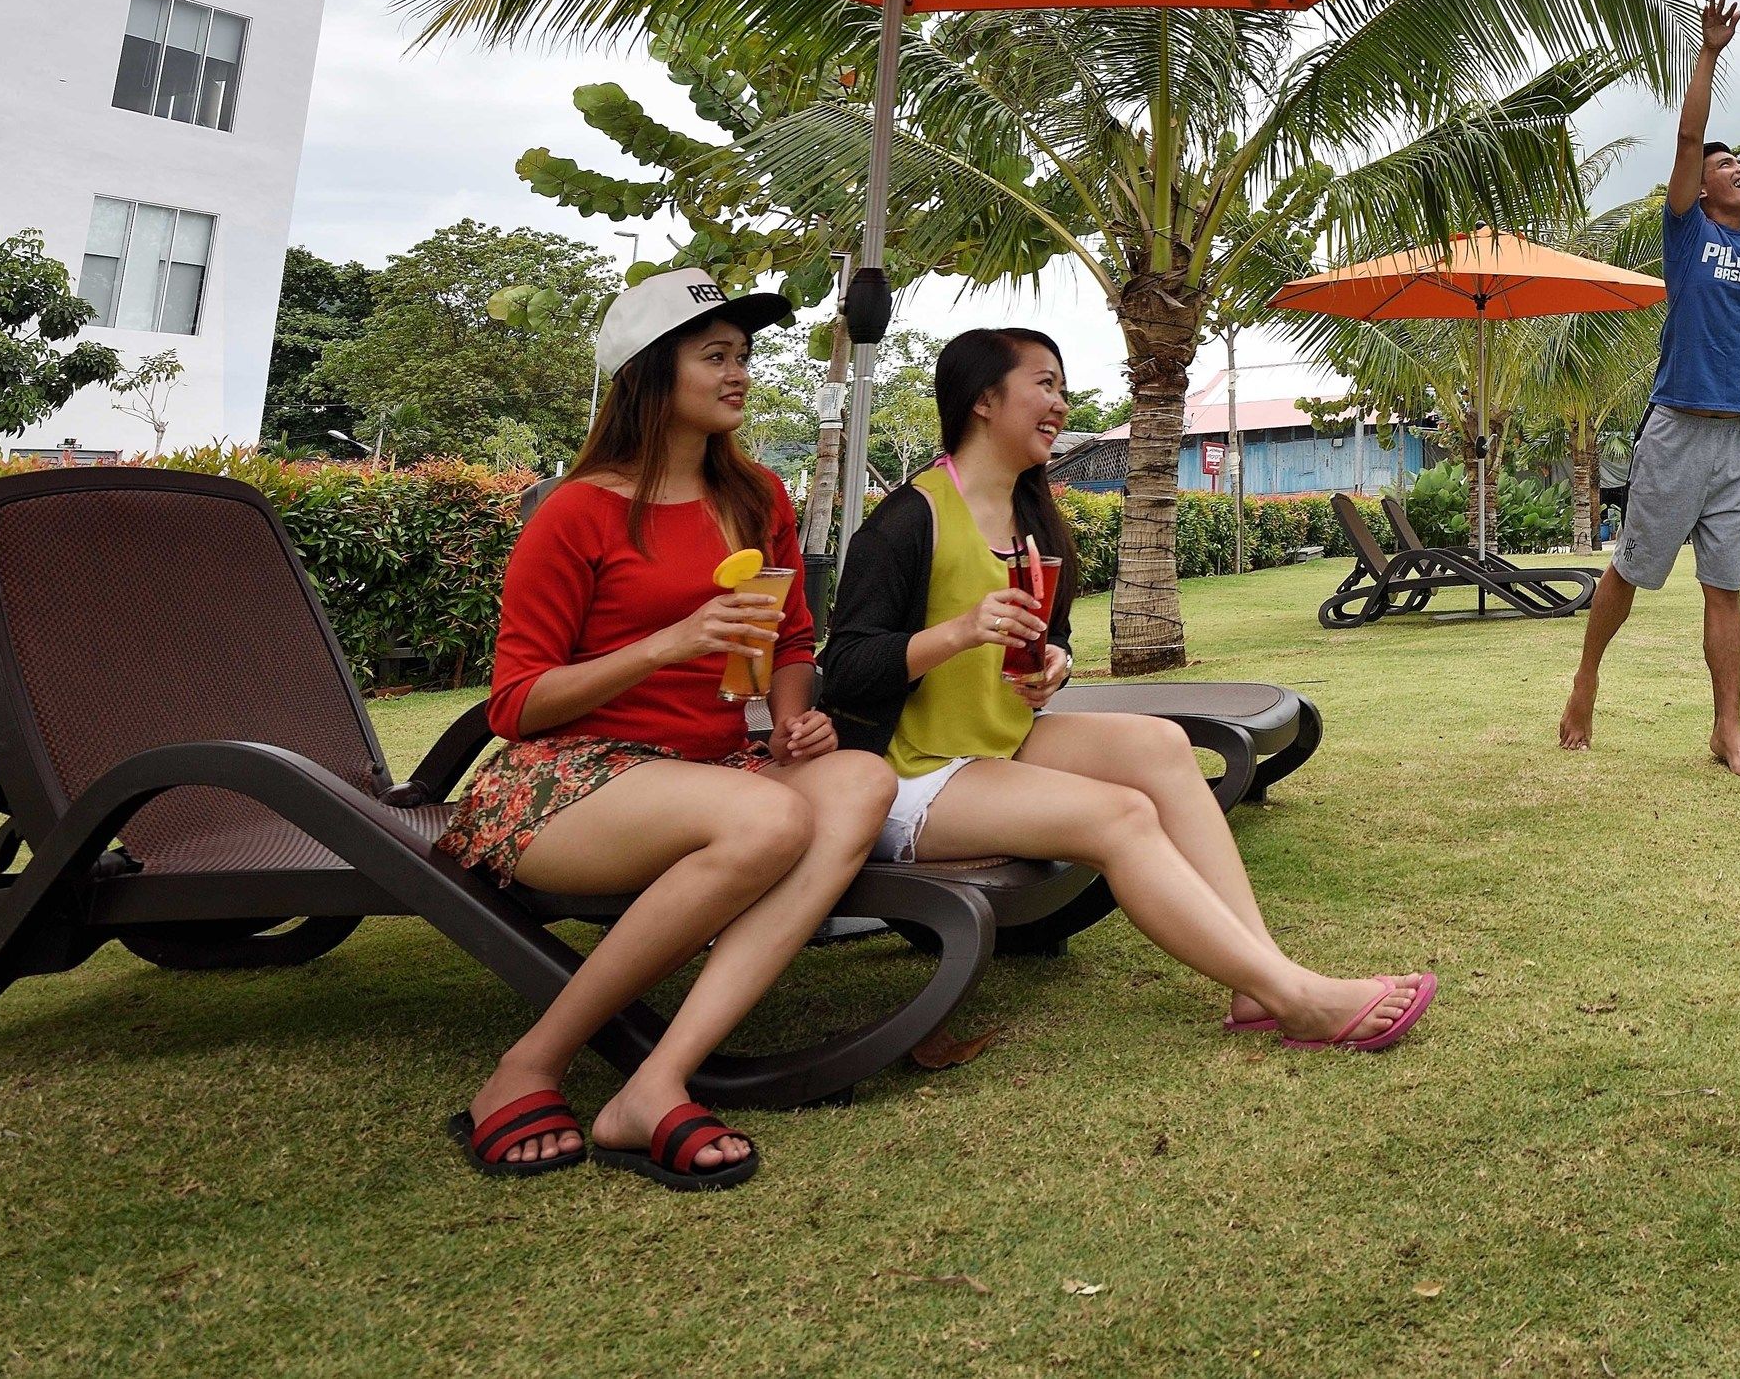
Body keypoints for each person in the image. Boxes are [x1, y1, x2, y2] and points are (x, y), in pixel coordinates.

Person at [818, 329, 1435, 1052]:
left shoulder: (1032, 517)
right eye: (1043, 384)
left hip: (998, 742)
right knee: (1119, 817)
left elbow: (1054, 641)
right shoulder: (907, 520)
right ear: (983, 400)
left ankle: (1254, 977)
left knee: (1162, 746)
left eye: (1062, 386)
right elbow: (847, 667)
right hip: (910, 775)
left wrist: (1057, 664)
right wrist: (957, 633)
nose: (1059, 402)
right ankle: (1295, 997)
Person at [436, 269, 893, 1190]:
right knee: (766, 822)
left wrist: (795, 720)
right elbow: (514, 704)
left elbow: (793, 641)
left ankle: (656, 1079)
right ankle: (524, 1068)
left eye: (744, 356)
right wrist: (666, 644)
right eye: (714, 356)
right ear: (650, 372)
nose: (740, 374)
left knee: (862, 782)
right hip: (564, 784)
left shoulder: (757, 495)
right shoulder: (577, 512)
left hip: (713, 770)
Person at [1559, 0, 1740, 777]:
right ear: (1703, 184)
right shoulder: (1684, 230)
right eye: (1727, 166)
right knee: (1632, 571)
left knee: (1726, 587)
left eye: (1739, 164)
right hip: (1678, 426)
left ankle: (1728, 731)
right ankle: (1587, 680)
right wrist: (1709, 52)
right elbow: (1687, 136)